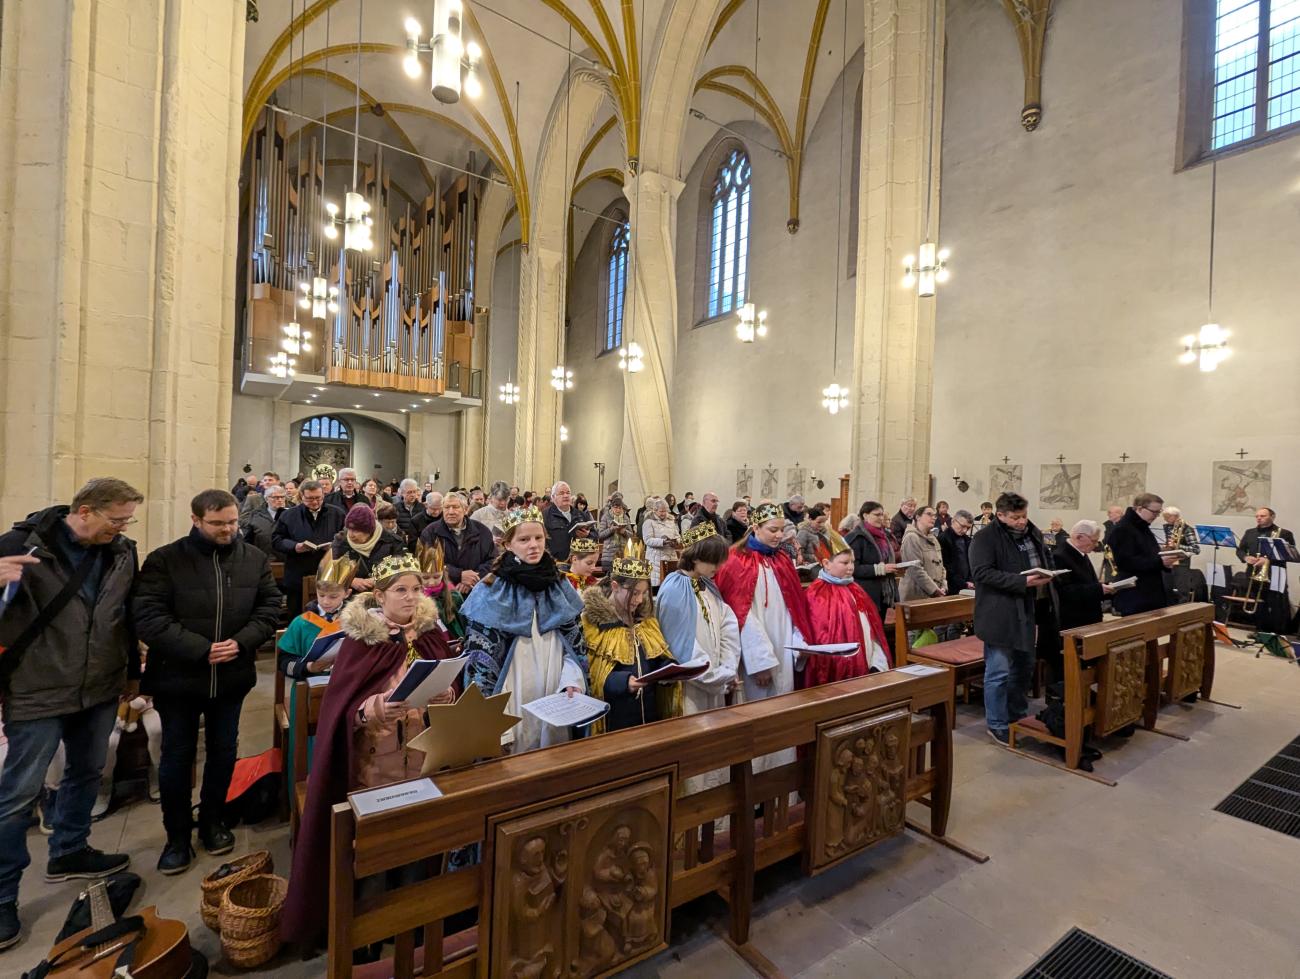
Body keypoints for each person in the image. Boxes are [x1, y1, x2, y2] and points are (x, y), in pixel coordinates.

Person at [281, 554, 456, 947]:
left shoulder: (431, 635)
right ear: (379, 595)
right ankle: (369, 939)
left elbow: (448, 687)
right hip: (376, 766)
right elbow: (342, 709)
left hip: (425, 762)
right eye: (400, 591)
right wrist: (376, 706)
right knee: (376, 855)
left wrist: (446, 693)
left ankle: (411, 934)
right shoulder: (363, 641)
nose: (411, 598)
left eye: (416, 589)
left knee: (417, 848)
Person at [0, 479, 143, 949]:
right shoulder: (21, 545)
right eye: (116, 518)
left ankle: (70, 849)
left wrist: (132, 675)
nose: (123, 528)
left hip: (99, 685)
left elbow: (125, 617)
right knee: (19, 795)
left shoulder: (122, 552)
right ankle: (2, 898)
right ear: (84, 511)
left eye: (126, 520)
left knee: (86, 770)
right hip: (38, 686)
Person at [132, 489, 280, 874]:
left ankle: (213, 821)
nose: (228, 529)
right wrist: (201, 649)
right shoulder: (166, 560)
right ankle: (176, 837)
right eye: (218, 524)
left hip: (231, 676)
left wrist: (243, 641)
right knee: (177, 756)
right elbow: (148, 616)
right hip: (179, 678)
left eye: (232, 522)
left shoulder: (253, 558)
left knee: (224, 751)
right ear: (196, 520)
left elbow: (268, 607)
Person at [461, 507, 588, 754]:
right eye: (524, 539)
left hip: (555, 693)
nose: (533, 545)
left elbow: (575, 646)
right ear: (507, 544)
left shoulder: (560, 585)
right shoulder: (491, 590)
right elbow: (480, 664)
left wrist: (572, 682)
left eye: (538, 538)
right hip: (511, 696)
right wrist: (494, 720)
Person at [715, 502, 814, 771]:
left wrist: (800, 644)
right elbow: (740, 615)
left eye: (782, 530)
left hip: (784, 650)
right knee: (758, 719)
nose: (779, 536)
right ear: (755, 527)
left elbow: (795, 608)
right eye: (773, 530)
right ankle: (756, 787)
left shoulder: (781, 559)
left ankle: (782, 783)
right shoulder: (736, 559)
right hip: (755, 659)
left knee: (783, 717)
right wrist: (760, 661)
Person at [969, 492, 1055, 745]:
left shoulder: (1032, 532)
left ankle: (1016, 715)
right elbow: (982, 573)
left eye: (1024, 516)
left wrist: (1049, 573)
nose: (1021, 522)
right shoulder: (985, 538)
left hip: (1027, 609)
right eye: (1016, 518)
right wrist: (1022, 581)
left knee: (1023, 667)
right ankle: (996, 724)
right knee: (999, 671)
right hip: (999, 612)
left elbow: (1045, 556)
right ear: (1001, 515)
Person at [582, 550, 682, 733]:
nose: (639, 600)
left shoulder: (646, 621)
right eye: (634, 593)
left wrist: (668, 667)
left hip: (651, 715)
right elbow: (592, 675)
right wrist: (623, 682)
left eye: (643, 593)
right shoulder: (593, 624)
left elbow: (656, 656)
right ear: (615, 586)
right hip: (617, 718)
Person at [805, 529, 891, 684]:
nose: (851, 567)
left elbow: (871, 627)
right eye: (845, 563)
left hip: (865, 655)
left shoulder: (855, 589)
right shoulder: (816, 593)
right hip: (833, 663)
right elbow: (816, 631)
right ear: (826, 564)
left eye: (852, 562)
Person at [273, 479, 347, 617]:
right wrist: (295, 546)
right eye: (310, 498)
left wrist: (334, 546)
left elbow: (346, 540)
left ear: (323, 495)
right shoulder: (289, 515)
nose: (314, 502)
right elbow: (277, 540)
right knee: (296, 616)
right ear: (301, 496)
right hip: (298, 572)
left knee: (328, 617)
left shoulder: (337, 514)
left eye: (318, 498)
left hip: (328, 573)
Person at [1108, 493, 1181, 616]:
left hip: (1148, 592)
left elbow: (1148, 554)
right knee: (1137, 633)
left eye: (1159, 512)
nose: (1157, 516)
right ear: (1140, 509)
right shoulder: (1124, 529)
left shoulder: (1142, 526)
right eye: (1154, 512)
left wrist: (1164, 563)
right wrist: (1160, 562)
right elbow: (1125, 562)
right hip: (1135, 594)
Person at [418, 491, 495, 594]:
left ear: (466, 510)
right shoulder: (430, 532)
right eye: (446, 507)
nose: (450, 512)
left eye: (455, 507)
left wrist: (472, 579)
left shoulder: (482, 531)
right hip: (443, 593)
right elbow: (427, 562)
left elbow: (492, 560)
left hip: (477, 591)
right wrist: (458, 575)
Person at [1236, 506, 1295, 633]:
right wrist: (1246, 558)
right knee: (1258, 603)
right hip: (1253, 572)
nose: (1259, 518)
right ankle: (1260, 631)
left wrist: (1268, 560)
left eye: (1262, 516)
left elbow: (1289, 554)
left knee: (1277, 603)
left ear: (1272, 517)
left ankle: (1277, 633)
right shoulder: (1250, 532)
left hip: (1276, 572)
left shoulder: (1285, 533)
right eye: (1257, 516)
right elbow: (1240, 550)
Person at [332, 504, 406, 593]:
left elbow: (401, 570)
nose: (351, 534)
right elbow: (333, 569)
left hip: (385, 593)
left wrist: (378, 580)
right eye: (349, 529)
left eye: (356, 530)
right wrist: (351, 580)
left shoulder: (393, 542)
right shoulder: (341, 541)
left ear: (369, 530)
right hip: (350, 595)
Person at [845, 501, 901, 619]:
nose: (881, 518)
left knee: (879, 630)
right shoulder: (856, 537)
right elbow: (853, 568)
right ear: (865, 515)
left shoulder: (884, 535)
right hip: (866, 592)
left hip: (884, 592)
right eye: (877, 515)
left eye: (882, 514)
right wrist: (881, 569)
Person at [899, 506, 946, 601]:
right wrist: (934, 589)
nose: (933, 518)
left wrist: (943, 584)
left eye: (935, 516)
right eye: (929, 514)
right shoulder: (911, 538)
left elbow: (941, 566)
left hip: (935, 593)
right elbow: (915, 569)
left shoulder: (933, 539)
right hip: (916, 593)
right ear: (917, 517)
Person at [543, 481, 590, 562]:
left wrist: (587, 535)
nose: (566, 496)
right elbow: (541, 540)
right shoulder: (545, 515)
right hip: (554, 563)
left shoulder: (581, 515)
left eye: (568, 493)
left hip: (578, 562)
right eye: (561, 493)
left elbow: (595, 536)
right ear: (553, 497)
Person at [641, 497, 681, 589]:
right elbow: (647, 540)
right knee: (657, 586)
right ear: (655, 510)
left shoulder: (671, 521)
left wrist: (676, 541)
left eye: (665, 511)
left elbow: (678, 536)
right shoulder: (649, 522)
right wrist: (663, 542)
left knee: (671, 586)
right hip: (656, 559)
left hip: (671, 557)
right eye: (661, 511)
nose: (663, 514)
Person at [938, 508, 975, 595]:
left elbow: (971, 563)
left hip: (967, 585)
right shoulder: (943, 539)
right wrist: (963, 583)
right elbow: (946, 566)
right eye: (962, 526)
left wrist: (970, 580)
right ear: (953, 521)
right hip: (951, 586)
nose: (965, 530)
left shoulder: (968, 540)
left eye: (968, 528)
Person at [598, 493, 635, 573]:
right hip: (609, 556)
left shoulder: (625, 518)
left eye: (620, 508)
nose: (618, 510)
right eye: (615, 507)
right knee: (609, 580)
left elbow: (631, 535)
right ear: (611, 507)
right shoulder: (606, 517)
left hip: (622, 554)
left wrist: (624, 532)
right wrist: (611, 529)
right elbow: (600, 535)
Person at [238, 490, 277, 558]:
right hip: (262, 554)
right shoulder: (255, 513)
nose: (279, 500)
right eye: (275, 497)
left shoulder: (291, 512)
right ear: (267, 499)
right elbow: (248, 538)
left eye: (282, 497)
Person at [392, 478, 425, 550]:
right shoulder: (394, 508)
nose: (413, 495)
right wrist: (403, 536)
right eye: (409, 492)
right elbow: (393, 527)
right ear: (402, 493)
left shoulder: (423, 508)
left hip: (417, 546)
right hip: (400, 545)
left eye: (414, 492)